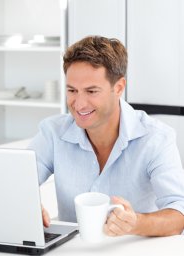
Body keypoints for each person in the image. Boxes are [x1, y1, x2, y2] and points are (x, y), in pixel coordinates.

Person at [29, 35, 184, 237]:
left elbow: (179, 214)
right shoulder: (53, 132)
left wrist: (136, 223)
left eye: (92, 91)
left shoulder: (156, 138)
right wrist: (26, 204)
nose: (79, 103)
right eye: (72, 90)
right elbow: (14, 182)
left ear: (118, 87)